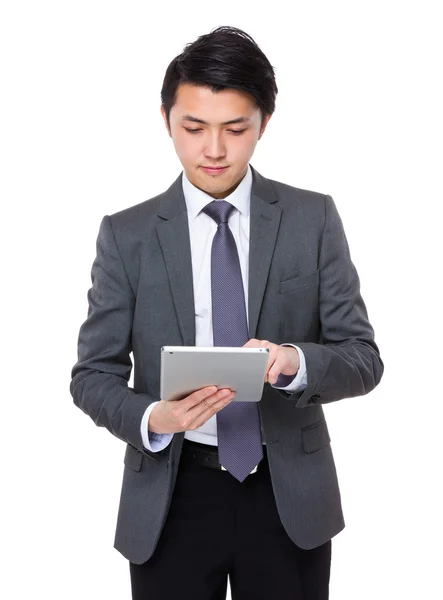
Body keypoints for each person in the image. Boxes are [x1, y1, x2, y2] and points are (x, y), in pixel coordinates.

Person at [70, 25, 383, 600]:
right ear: (165, 119)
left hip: (287, 493)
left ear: (264, 123)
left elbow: (362, 358)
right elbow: (92, 375)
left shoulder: (312, 219)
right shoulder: (128, 235)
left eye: (235, 129)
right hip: (172, 494)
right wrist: (153, 420)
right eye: (193, 128)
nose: (213, 149)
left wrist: (293, 360)